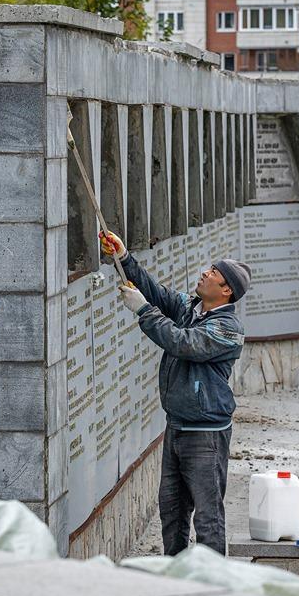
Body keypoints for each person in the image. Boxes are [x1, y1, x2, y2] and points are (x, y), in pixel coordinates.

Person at [99, 230, 250, 556]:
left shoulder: (226, 329)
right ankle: (175, 579)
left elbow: (184, 344)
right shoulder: (192, 308)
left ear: (225, 290)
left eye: (213, 273)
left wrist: (143, 311)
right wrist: (123, 258)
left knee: (208, 518)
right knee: (172, 511)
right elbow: (157, 292)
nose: (204, 273)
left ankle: (211, 586)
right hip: (178, 427)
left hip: (205, 435)